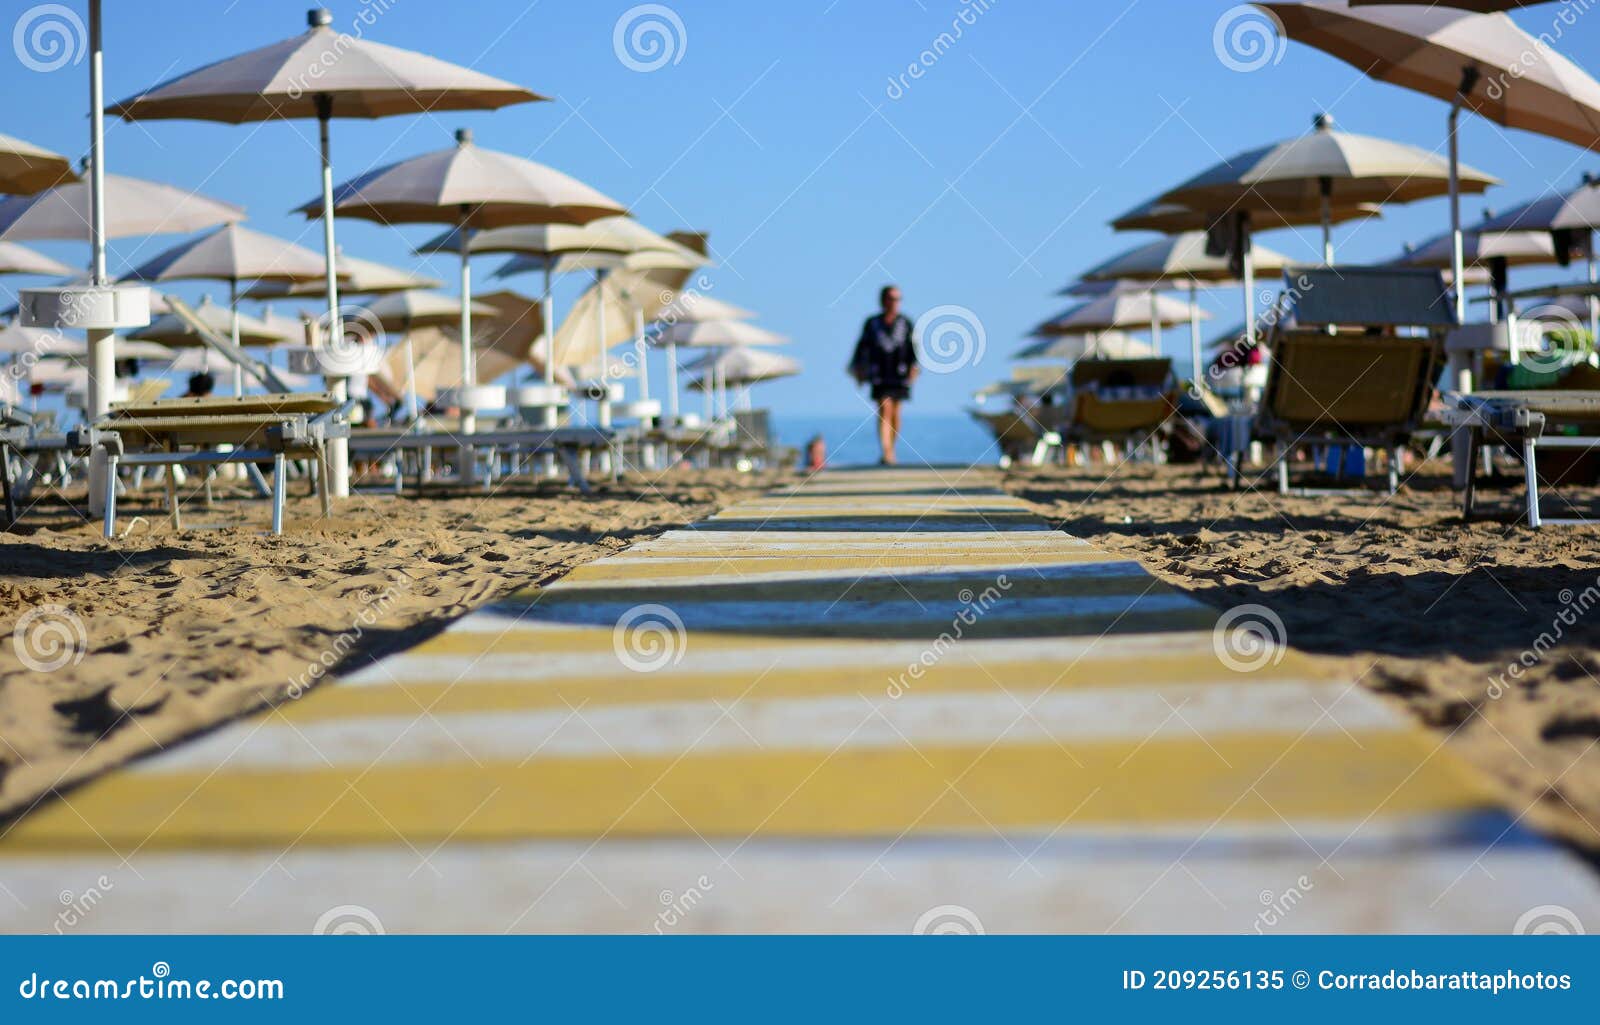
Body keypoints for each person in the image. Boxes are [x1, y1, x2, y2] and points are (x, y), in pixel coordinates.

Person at [850, 284, 919, 465]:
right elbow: (861, 347)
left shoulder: (906, 322)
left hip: (900, 373)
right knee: (884, 408)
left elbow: (914, 349)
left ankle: (891, 448)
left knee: (896, 411)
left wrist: (914, 368)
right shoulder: (872, 323)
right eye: (892, 298)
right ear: (883, 300)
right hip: (879, 373)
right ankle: (886, 451)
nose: (895, 303)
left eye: (898, 299)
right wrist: (857, 368)